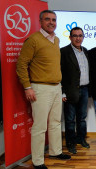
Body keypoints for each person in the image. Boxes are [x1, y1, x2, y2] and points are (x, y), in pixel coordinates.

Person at [16, 10, 71, 169]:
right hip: (40, 88)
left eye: (54, 19)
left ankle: (55, 151)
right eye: (47, 19)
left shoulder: (56, 40)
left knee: (55, 122)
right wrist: (27, 87)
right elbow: (21, 65)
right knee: (40, 126)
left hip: (56, 87)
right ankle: (38, 161)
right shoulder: (33, 40)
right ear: (40, 21)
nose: (51, 22)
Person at [60, 27, 90, 154]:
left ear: (83, 37)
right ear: (70, 37)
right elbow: (59, 72)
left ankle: (81, 139)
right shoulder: (63, 52)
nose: (78, 38)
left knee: (82, 118)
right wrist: (62, 92)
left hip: (85, 90)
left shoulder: (86, 51)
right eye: (75, 36)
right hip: (70, 91)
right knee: (70, 119)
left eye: (80, 35)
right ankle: (70, 143)